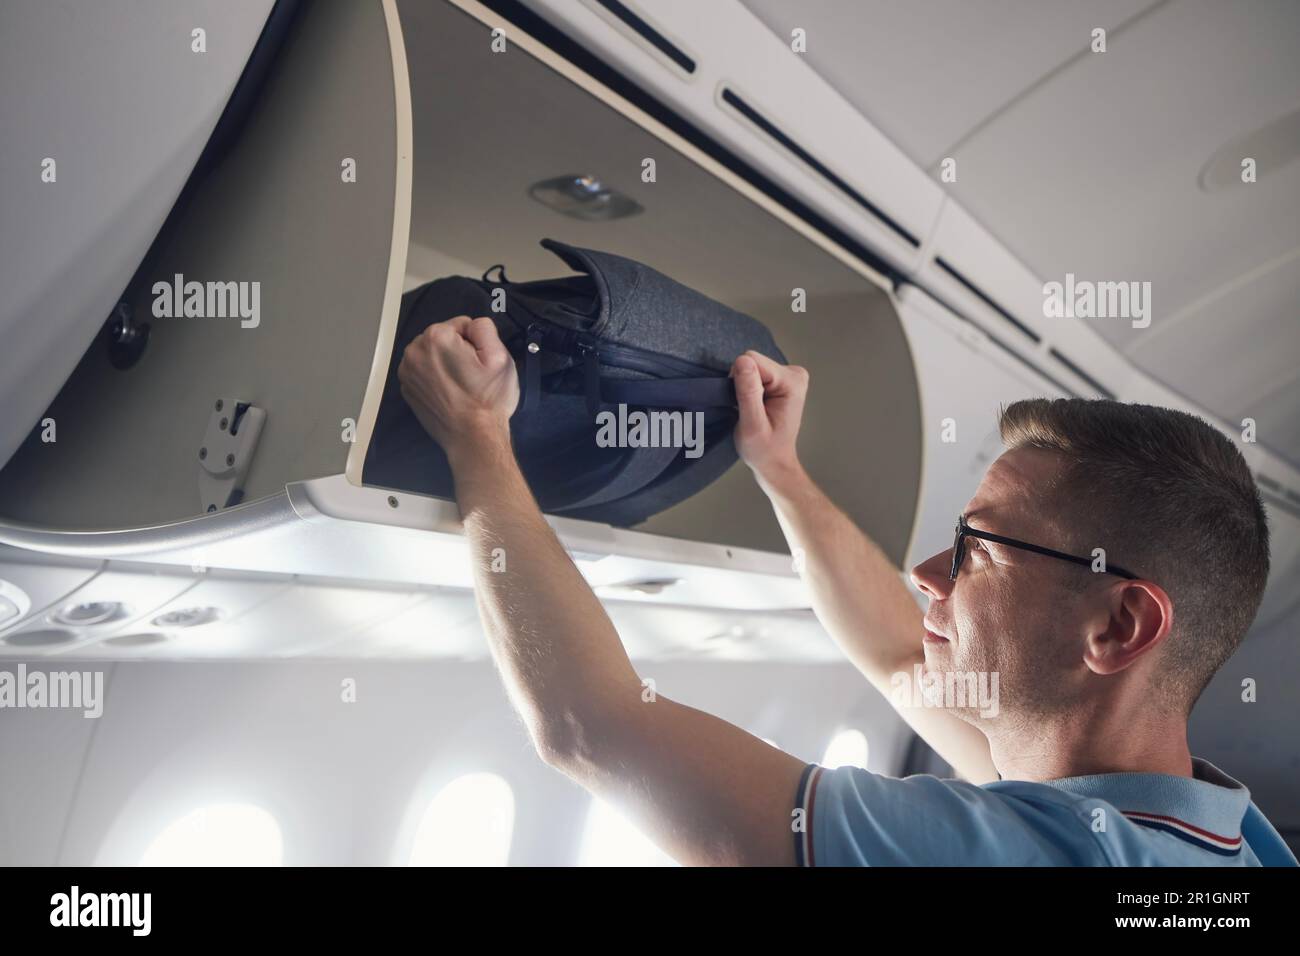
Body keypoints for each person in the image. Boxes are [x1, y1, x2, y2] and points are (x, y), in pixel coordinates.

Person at [397, 314, 1296, 866]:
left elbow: (594, 726)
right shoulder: (1223, 846)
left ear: (1119, 625)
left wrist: (477, 435)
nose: (926, 575)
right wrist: (779, 470)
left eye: (978, 551)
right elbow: (902, 656)